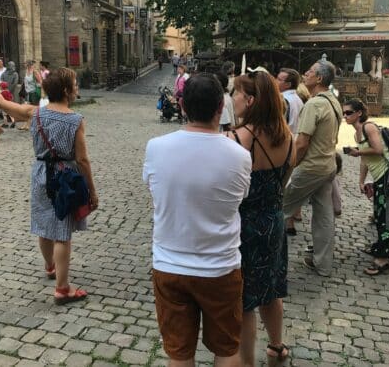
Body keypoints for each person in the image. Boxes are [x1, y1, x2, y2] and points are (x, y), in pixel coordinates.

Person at [143, 73, 252, 367]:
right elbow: (240, 199)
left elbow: (155, 192)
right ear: (221, 108)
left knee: (179, 353)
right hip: (220, 266)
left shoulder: (156, 147)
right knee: (227, 350)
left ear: (183, 106)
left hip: (170, 264)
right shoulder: (240, 156)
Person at [0, 65, 98, 305]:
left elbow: (1, 102)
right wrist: (91, 190)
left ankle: (50, 266)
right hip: (65, 177)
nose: (77, 87)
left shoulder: (34, 113)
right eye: (76, 84)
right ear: (68, 91)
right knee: (62, 233)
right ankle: (62, 288)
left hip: (40, 174)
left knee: (43, 223)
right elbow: (82, 159)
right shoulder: (76, 120)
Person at [227, 70, 296, 366]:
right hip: (274, 221)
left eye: (236, 93)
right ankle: (276, 346)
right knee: (270, 289)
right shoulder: (288, 137)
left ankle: (246, 361)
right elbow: (283, 183)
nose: (232, 98)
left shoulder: (237, 139)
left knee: (244, 299)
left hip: (244, 226)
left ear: (250, 99)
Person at [283, 61, 341, 276]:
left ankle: (264, 258)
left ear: (319, 79)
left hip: (311, 167)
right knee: (324, 216)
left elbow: (302, 142)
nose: (305, 74)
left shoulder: (315, 104)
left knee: (280, 208)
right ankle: (323, 264)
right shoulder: (333, 100)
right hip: (327, 166)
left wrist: (290, 168)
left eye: (309, 71)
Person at [343, 99, 389, 275]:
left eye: (349, 113)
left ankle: (384, 258)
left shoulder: (369, 127)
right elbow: (365, 160)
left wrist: (357, 151)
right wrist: (361, 180)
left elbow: (377, 149)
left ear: (359, 113)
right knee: (379, 214)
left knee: (386, 216)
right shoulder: (357, 134)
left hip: (388, 176)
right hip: (379, 178)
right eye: (344, 113)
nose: (345, 116)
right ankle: (380, 246)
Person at [276, 68, 304, 134]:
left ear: (288, 85)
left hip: (283, 139)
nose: (275, 80)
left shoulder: (282, 99)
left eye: (279, 79)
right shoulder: (299, 100)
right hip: (293, 140)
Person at [19, 61, 42, 131]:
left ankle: (29, 125)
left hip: (34, 93)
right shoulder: (27, 72)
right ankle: (26, 124)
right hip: (28, 93)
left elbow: (41, 82)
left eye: (26, 64)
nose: (25, 65)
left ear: (30, 65)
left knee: (34, 109)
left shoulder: (34, 72)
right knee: (28, 109)